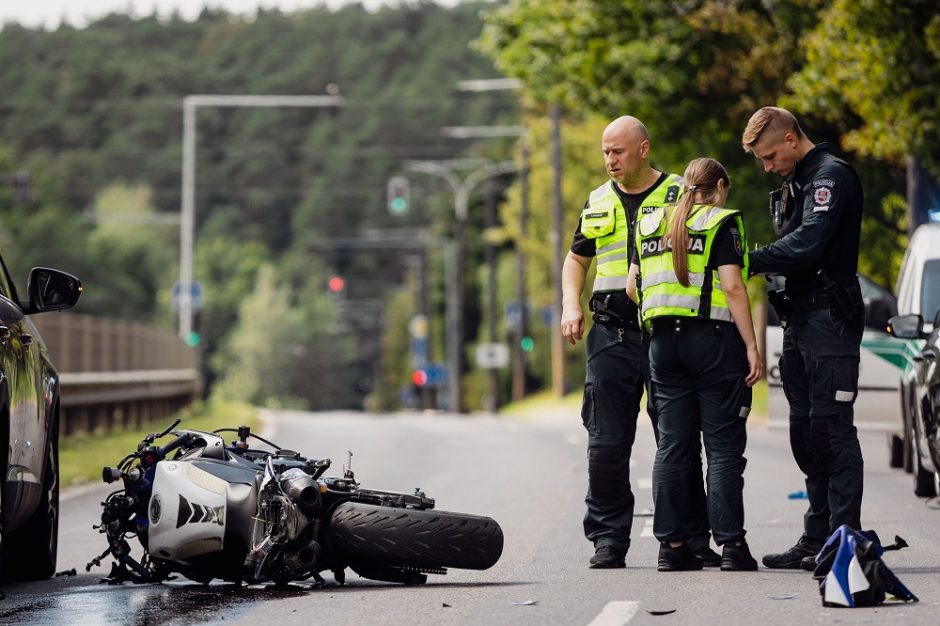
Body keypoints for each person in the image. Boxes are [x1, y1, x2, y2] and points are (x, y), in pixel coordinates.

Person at [561, 116, 718, 569]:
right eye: (605, 152)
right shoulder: (597, 199)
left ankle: (690, 537)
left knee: (679, 439)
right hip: (611, 334)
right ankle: (608, 538)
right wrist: (572, 305)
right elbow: (576, 260)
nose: (610, 160)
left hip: (667, 335)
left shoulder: (679, 195)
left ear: (643, 149)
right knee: (606, 442)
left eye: (619, 151)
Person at [741, 106, 865, 570]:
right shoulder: (797, 182)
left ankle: (843, 540)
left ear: (792, 138)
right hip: (798, 321)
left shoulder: (830, 177)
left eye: (771, 155)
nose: (768, 166)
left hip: (830, 319)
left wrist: (748, 260)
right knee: (806, 433)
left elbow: (810, 243)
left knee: (832, 431)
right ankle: (816, 538)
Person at [627, 157, 763, 572]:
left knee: (672, 446)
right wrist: (752, 346)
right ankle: (732, 547)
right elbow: (733, 287)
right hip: (713, 343)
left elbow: (633, 288)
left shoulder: (650, 223)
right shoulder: (721, 222)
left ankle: (671, 546)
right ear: (720, 186)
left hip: (662, 345)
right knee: (722, 448)